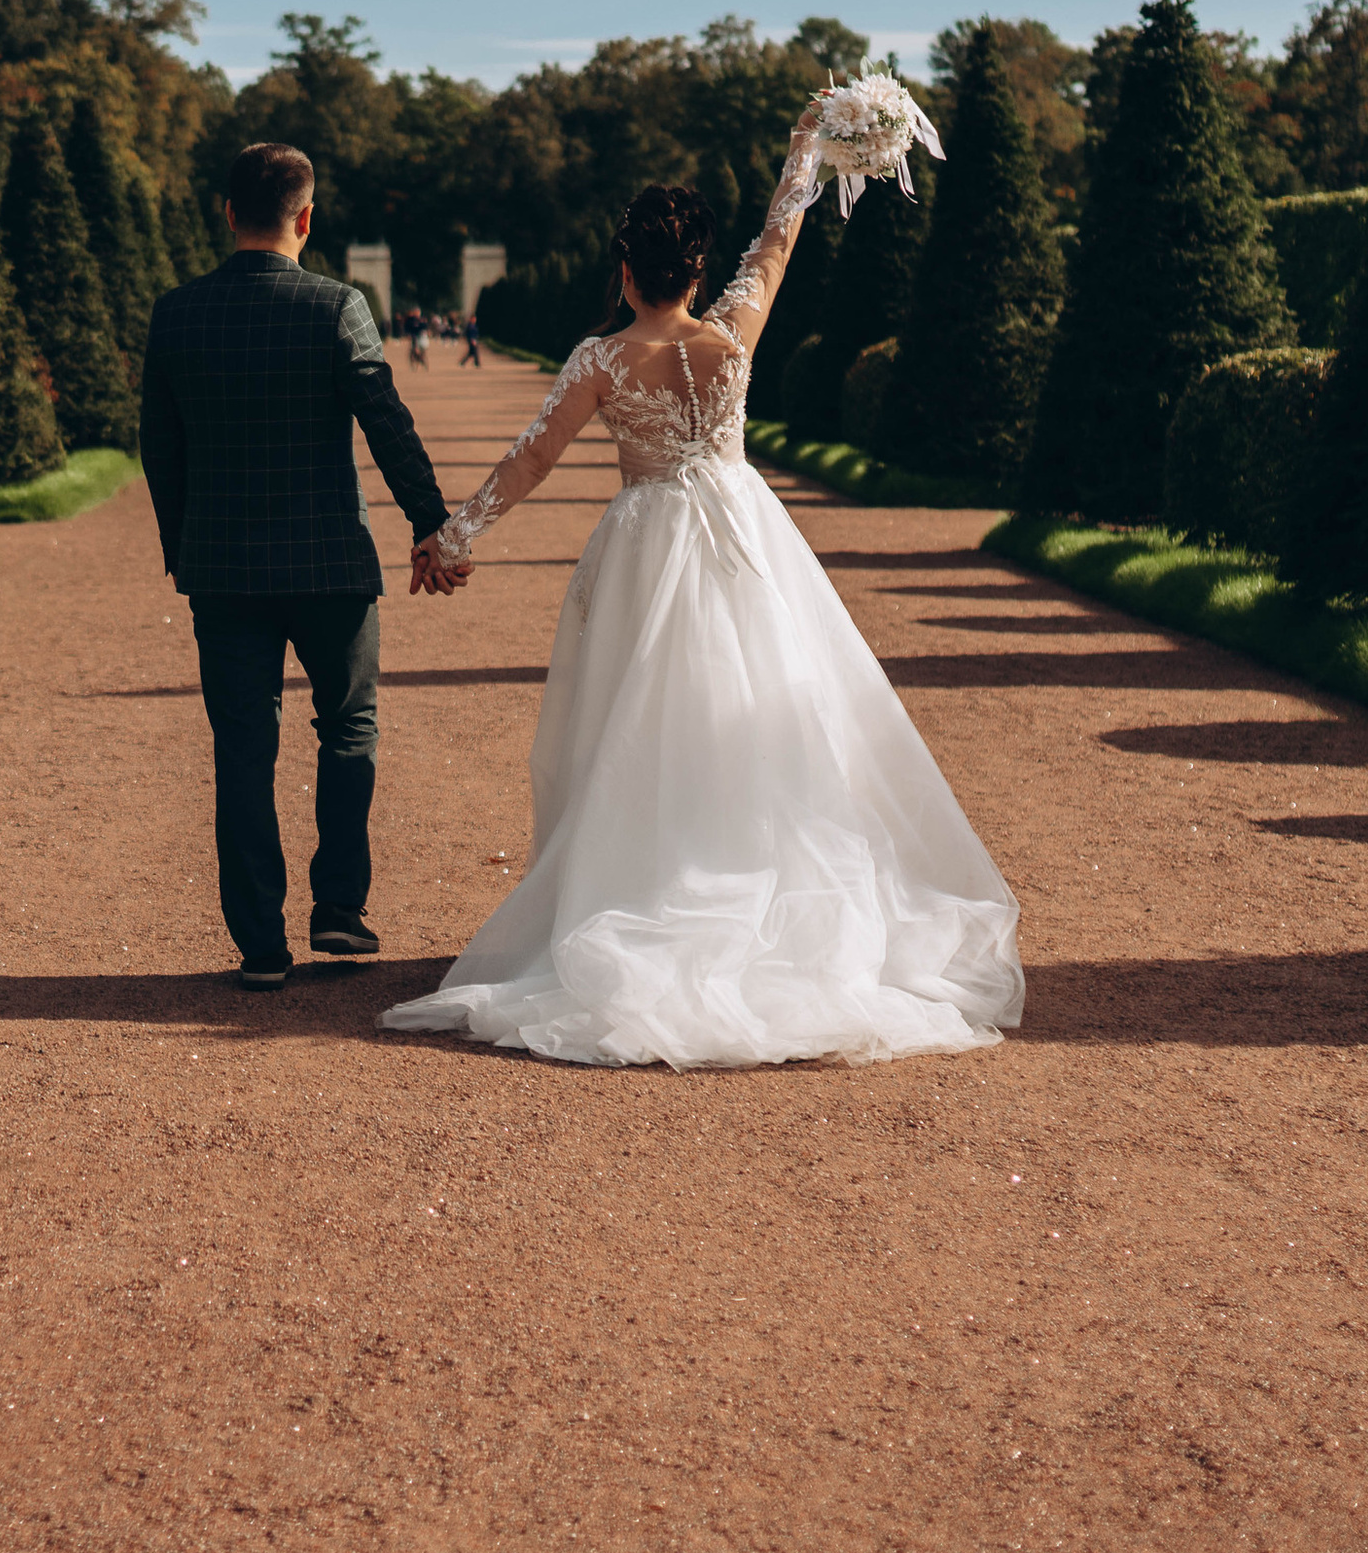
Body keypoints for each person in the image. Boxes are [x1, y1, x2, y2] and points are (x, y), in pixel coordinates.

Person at [380, 114, 1024, 1069]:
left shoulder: (602, 359)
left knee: (637, 724)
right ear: (695, 267)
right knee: (768, 716)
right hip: (744, 536)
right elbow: (780, 236)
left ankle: (639, 892)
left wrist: (451, 537)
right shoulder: (737, 330)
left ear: (626, 267)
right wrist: (808, 147)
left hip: (648, 543)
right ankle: (754, 893)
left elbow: (531, 461)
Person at [142, 141, 468, 992]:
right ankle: (338, 909)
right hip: (330, 563)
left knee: (243, 751)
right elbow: (385, 420)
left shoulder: (177, 314)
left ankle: (259, 945)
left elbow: (159, 449)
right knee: (348, 730)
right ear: (308, 217)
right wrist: (432, 523)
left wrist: (186, 550)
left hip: (224, 573)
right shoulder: (337, 306)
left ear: (226, 212)